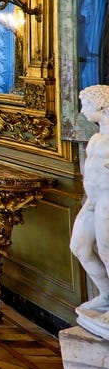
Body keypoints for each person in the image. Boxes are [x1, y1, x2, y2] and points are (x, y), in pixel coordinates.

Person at [70, 85, 109, 338]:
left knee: (107, 251)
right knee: (80, 247)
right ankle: (106, 295)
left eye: (85, 105)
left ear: (101, 106)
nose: (82, 110)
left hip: (107, 200)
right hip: (92, 200)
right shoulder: (96, 138)